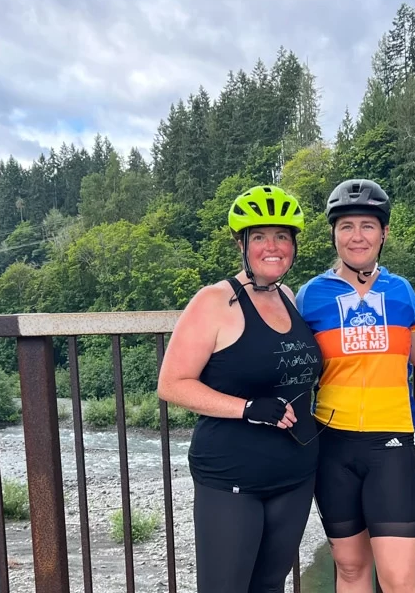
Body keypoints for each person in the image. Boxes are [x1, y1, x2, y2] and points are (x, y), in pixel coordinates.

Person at [157, 185, 323, 593]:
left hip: (295, 474)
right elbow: (171, 384)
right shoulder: (214, 301)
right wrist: (247, 407)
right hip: (232, 475)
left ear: (294, 245)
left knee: (270, 587)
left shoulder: (289, 297)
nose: (273, 246)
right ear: (241, 243)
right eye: (260, 237)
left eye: (282, 236)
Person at [295, 178, 415, 593]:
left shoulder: (401, 291)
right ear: (334, 234)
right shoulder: (310, 296)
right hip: (331, 442)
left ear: (384, 232)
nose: (357, 236)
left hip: (391, 441)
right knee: (351, 568)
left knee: (399, 578)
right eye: (347, 226)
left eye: (368, 226)